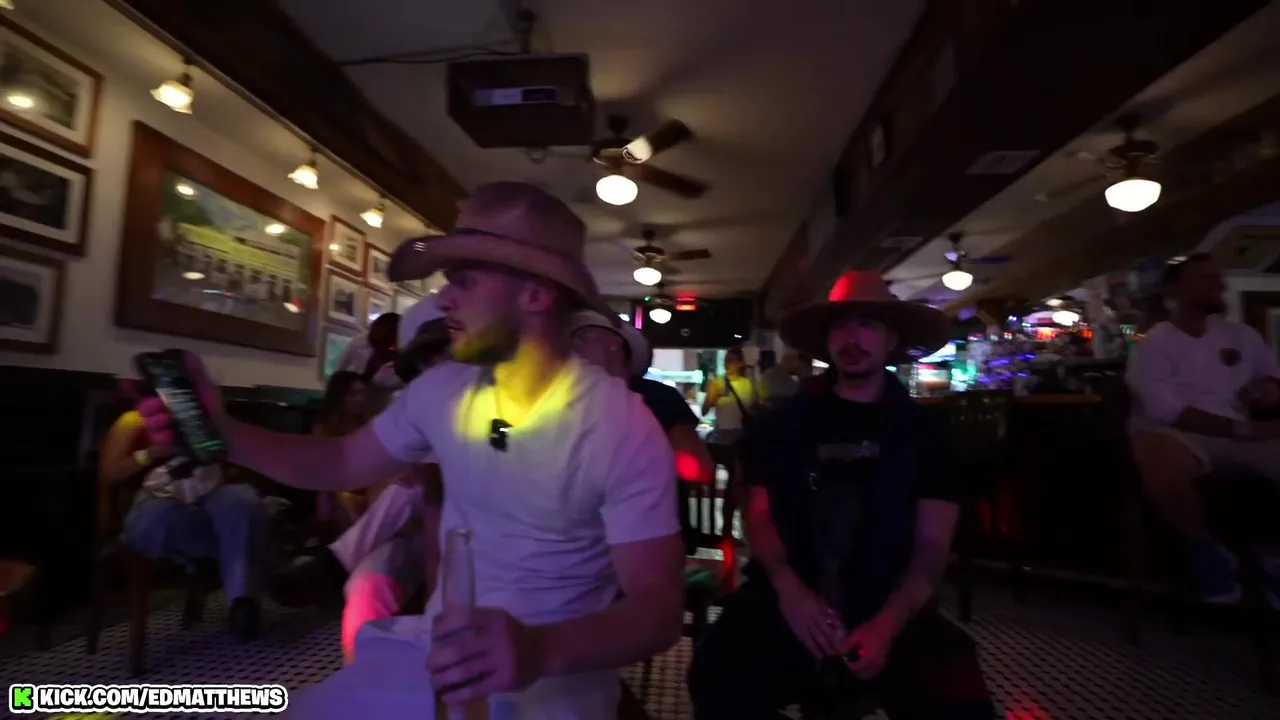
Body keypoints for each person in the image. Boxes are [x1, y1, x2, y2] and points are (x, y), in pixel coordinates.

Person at [135, 182, 683, 718]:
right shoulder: (445, 389)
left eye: (464, 280)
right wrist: (225, 435)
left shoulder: (620, 425)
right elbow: (342, 462)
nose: (443, 298)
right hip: (433, 656)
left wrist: (538, 649)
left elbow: (658, 608)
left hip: (551, 686)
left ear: (536, 294)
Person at [688, 270, 993, 719]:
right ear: (826, 340)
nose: (852, 337)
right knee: (714, 680)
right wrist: (790, 590)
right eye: (840, 325)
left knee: (962, 702)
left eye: (867, 323)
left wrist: (889, 623)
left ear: (891, 339)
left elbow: (932, 545)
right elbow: (760, 516)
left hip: (890, 601)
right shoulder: (782, 425)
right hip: (788, 595)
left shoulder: (925, 431)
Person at [271, 297, 455, 663]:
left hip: (474, 541)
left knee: (418, 482)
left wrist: (432, 474)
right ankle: (358, 678)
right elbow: (347, 460)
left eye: (441, 359)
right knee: (363, 589)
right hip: (415, 535)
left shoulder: (499, 412)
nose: (433, 372)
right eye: (424, 365)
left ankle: (335, 563)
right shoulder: (415, 411)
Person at [1127, 253, 1280, 605]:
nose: (1218, 285)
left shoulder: (1241, 335)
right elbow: (1167, 412)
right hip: (1182, 436)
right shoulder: (1154, 345)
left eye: (1218, 278)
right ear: (1174, 290)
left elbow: (1272, 377)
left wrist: (1267, 389)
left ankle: (1272, 557)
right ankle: (1206, 550)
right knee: (1157, 455)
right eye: (1205, 279)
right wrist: (1246, 431)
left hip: (1238, 431)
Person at [100, 404, 268, 641]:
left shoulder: (204, 416)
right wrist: (151, 453)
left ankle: (242, 605)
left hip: (209, 498)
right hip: (158, 502)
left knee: (243, 499)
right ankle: (249, 556)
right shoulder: (133, 421)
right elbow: (109, 472)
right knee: (164, 519)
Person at [568, 310, 714, 486]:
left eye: (584, 336)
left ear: (615, 343)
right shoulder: (570, 401)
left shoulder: (659, 398)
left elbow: (701, 470)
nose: (574, 345)